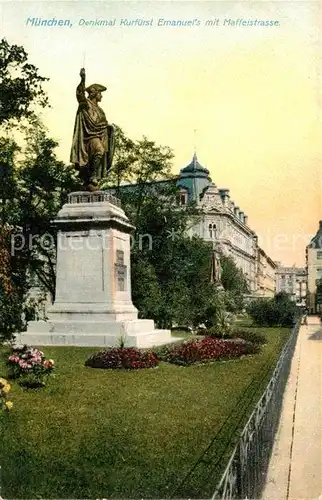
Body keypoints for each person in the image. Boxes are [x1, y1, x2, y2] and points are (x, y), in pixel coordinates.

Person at [70, 68, 115, 191]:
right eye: (100, 93)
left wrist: (109, 128)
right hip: (88, 138)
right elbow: (79, 94)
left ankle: (92, 176)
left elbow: (103, 125)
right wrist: (83, 79)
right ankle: (93, 175)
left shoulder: (100, 111)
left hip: (100, 136)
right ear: (94, 93)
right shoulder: (86, 104)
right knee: (99, 150)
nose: (101, 96)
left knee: (101, 152)